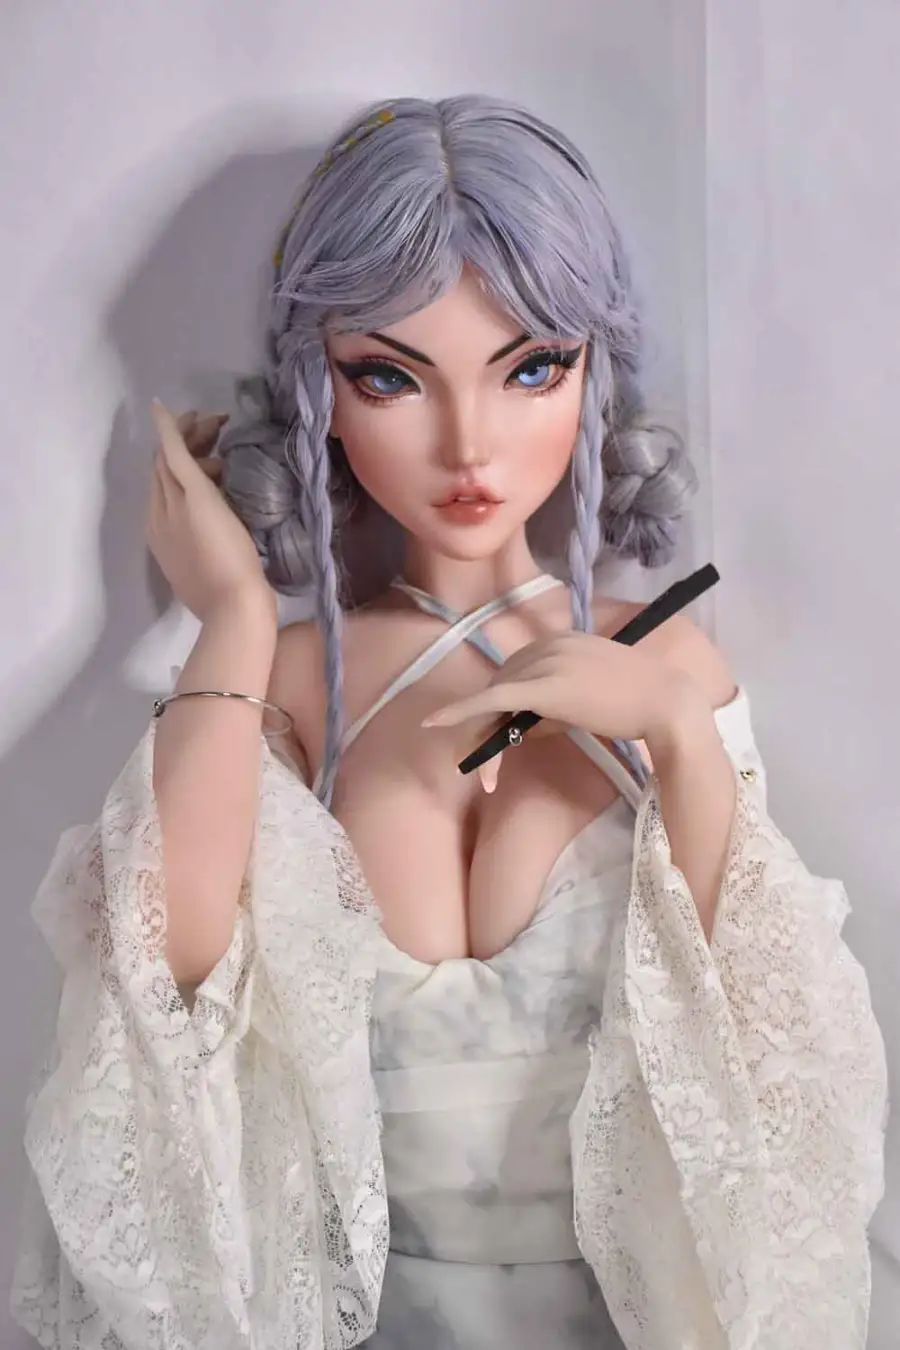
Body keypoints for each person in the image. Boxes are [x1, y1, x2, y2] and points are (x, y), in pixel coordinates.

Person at [10, 95, 888, 1350]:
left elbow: (776, 1068)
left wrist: (678, 732)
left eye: (532, 368)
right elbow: (162, 1000)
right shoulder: (290, 682)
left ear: (593, 369)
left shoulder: (666, 661)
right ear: (319, 388)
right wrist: (235, 622)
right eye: (390, 377)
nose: (469, 443)